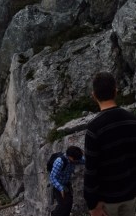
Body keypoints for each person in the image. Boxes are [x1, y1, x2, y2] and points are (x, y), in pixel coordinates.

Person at [84, 72, 136, 216]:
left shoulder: (94, 127)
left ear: (94, 95)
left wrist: (92, 204)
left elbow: (91, 171)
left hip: (107, 201)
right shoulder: (131, 119)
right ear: (115, 92)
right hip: (131, 197)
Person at [50, 146, 84, 216]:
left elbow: (84, 160)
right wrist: (60, 188)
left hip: (66, 184)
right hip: (58, 185)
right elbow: (52, 177)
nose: (78, 161)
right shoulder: (59, 162)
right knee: (63, 205)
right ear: (71, 157)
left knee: (69, 203)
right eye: (76, 159)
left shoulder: (74, 158)